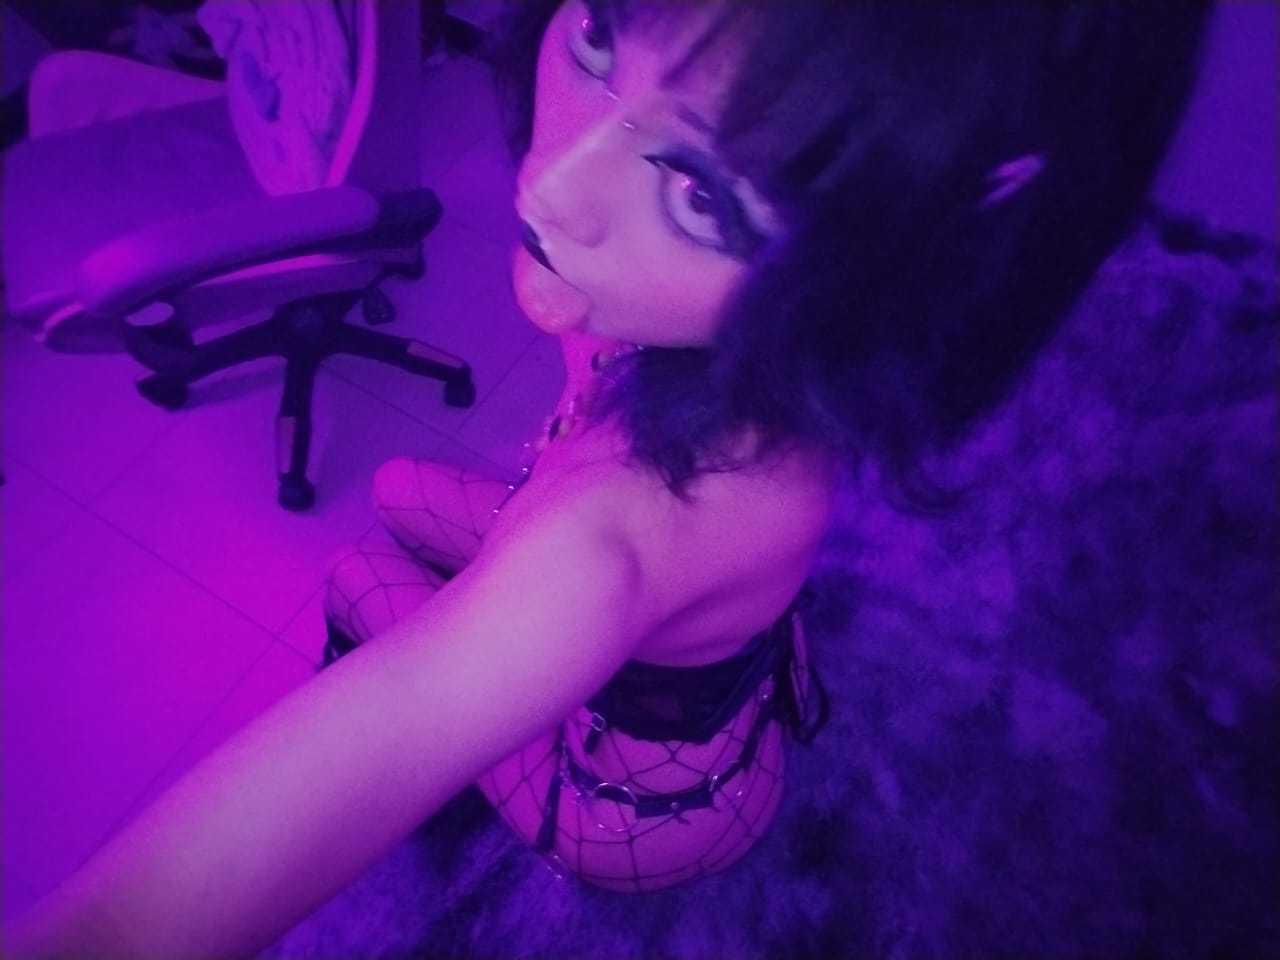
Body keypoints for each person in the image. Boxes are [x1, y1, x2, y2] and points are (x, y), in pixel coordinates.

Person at [7, 1, 1209, 956]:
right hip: (709, 672)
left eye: (699, 191)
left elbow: (383, 728)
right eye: (593, 36)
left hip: (638, 811)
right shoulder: (757, 341)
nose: (552, 184)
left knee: (363, 576)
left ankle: (442, 802)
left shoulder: (603, 545)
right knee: (400, 488)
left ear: (887, 255)